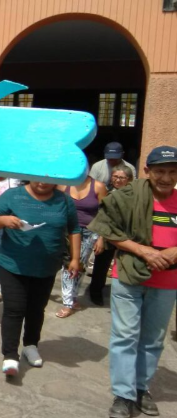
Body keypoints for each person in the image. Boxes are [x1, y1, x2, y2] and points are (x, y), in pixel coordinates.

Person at [88, 146, 177, 418]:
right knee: (125, 336)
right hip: (128, 274)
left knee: (153, 338)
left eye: (172, 172)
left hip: (167, 280)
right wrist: (144, 251)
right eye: (160, 171)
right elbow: (108, 229)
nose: (165, 177)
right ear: (147, 171)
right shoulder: (126, 197)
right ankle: (123, 395)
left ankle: (141, 388)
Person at [0, 182, 81, 376]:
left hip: (46, 267)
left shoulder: (64, 200)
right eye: (38, 177)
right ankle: (10, 355)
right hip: (13, 264)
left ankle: (31, 345)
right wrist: (4, 220)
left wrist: (75, 258)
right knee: (14, 309)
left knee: (36, 309)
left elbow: (74, 229)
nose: (41, 182)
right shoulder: (13, 195)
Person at [55, 175, 107, 318]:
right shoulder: (63, 185)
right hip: (68, 231)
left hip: (90, 232)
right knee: (69, 264)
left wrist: (102, 237)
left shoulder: (98, 186)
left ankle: (73, 297)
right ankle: (67, 303)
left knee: (80, 266)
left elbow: (105, 214)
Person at [89, 164, 136, 306]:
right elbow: (105, 218)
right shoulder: (109, 194)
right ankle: (95, 293)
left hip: (127, 236)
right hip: (109, 236)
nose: (117, 180)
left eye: (121, 177)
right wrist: (101, 239)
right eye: (115, 176)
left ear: (129, 179)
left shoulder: (134, 195)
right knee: (101, 266)